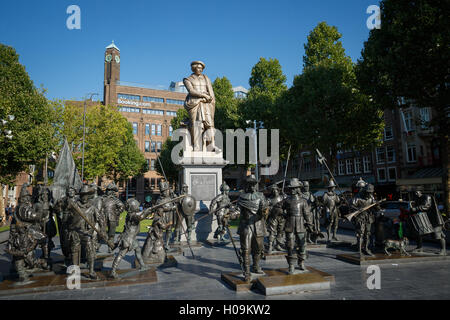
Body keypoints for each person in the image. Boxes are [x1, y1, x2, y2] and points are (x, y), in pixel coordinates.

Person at [66, 184, 106, 280]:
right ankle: (75, 270)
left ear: (89, 196)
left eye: (86, 195)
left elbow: (100, 219)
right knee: (74, 251)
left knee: (90, 251)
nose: (84, 197)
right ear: (80, 195)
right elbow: (66, 217)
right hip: (75, 232)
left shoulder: (92, 207)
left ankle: (91, 271)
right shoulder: (74, 205)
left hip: (87, 233)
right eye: (83, 195)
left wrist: (103, 231)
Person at [235, 175, 269, 282]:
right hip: (246, 225)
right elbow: (237, 211)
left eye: (254, 184)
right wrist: (231, 215)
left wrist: (264, 211)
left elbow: (265, 210)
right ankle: (247, 271)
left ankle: (256, 266)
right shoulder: (242, 197)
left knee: (258, 248)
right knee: (246, 250)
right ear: (247, 185)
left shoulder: (261, 196)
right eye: (250, 184)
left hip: (258, 224)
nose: (252, 186)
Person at [110, 198, 153, 278]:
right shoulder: (132, 216)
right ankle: (113, 271)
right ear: (133, 207)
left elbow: (140, 214)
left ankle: (142, 265)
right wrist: (148, 211)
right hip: (128, 239)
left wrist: (149, 210)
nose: (138, 207)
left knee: (138, 250)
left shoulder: (131, 214)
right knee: (121, 254)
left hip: (132, 238)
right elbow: (141, 217)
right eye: (137, 206)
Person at [183, 61, 220, 152]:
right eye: (198, 68)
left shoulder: (206, 78)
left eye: (201, 68)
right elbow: (191, 91)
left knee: (210, 124)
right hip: (194, 104)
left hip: (206, 103)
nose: (200, 69)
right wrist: (203, 95)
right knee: (197, 125)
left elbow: (211, 92)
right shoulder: (187, 79)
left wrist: (209, 98)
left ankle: (211, 146)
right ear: (194, 68)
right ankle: (196, 147)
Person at [283, 178, 314, 273]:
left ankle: (301, 262)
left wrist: (309, 224)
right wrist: (284, 215)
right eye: (291, 188)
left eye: (294, 188)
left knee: (302, 245)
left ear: (297, 189)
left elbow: (307, 214)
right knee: (290, 245)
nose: (292, 190)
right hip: (290, 224)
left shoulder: (303, 201)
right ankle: (291, 265)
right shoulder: (286, 200)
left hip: (300, 225)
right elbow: (280, 209)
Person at [409, 190, 446, 255]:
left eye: (417, 192)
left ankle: (443, 250)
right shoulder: (418, 199)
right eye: (414, 193)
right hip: (425, 219)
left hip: (434, 219)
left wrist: (416, 208)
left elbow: (427, 206)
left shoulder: (427, 197)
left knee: (438, 234)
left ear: (420, 192)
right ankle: (419, 247)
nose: (416, 194)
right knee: (418, 233)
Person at [350, 184, 380, 256]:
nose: (369, 194)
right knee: (360, 234)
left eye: (370, 192)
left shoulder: (371, 198)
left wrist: (377, 205)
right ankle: (359, 250)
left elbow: (377, 208)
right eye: (368, 192)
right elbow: (351, 206)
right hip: (360, 217)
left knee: (367, 234)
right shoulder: (358, 197)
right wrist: (357, 209)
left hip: (368, 218)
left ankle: (366, 248)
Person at [102, 183, 125, 253]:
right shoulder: (102, 198)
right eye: (107, 190)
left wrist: (117, 212)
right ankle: (97, 245)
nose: (108, 191)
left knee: (111, 234)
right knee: (101, 232)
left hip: (112, 218)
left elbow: (122, 207)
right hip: (103, 218)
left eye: (110, 190)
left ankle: (110, 246)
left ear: (112, 192)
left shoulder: (115, 200)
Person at [266, 184, 286, 253]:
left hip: (281, 217)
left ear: (278, 190)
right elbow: (266, 208)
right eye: (273, 190)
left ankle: (278, 245)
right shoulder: (269, 199)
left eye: (275, 189)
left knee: (280, 231)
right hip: (273, 217)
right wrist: (273, 209)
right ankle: (270, 246)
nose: (275, 191)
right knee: (272, 232)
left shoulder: (283, 197)